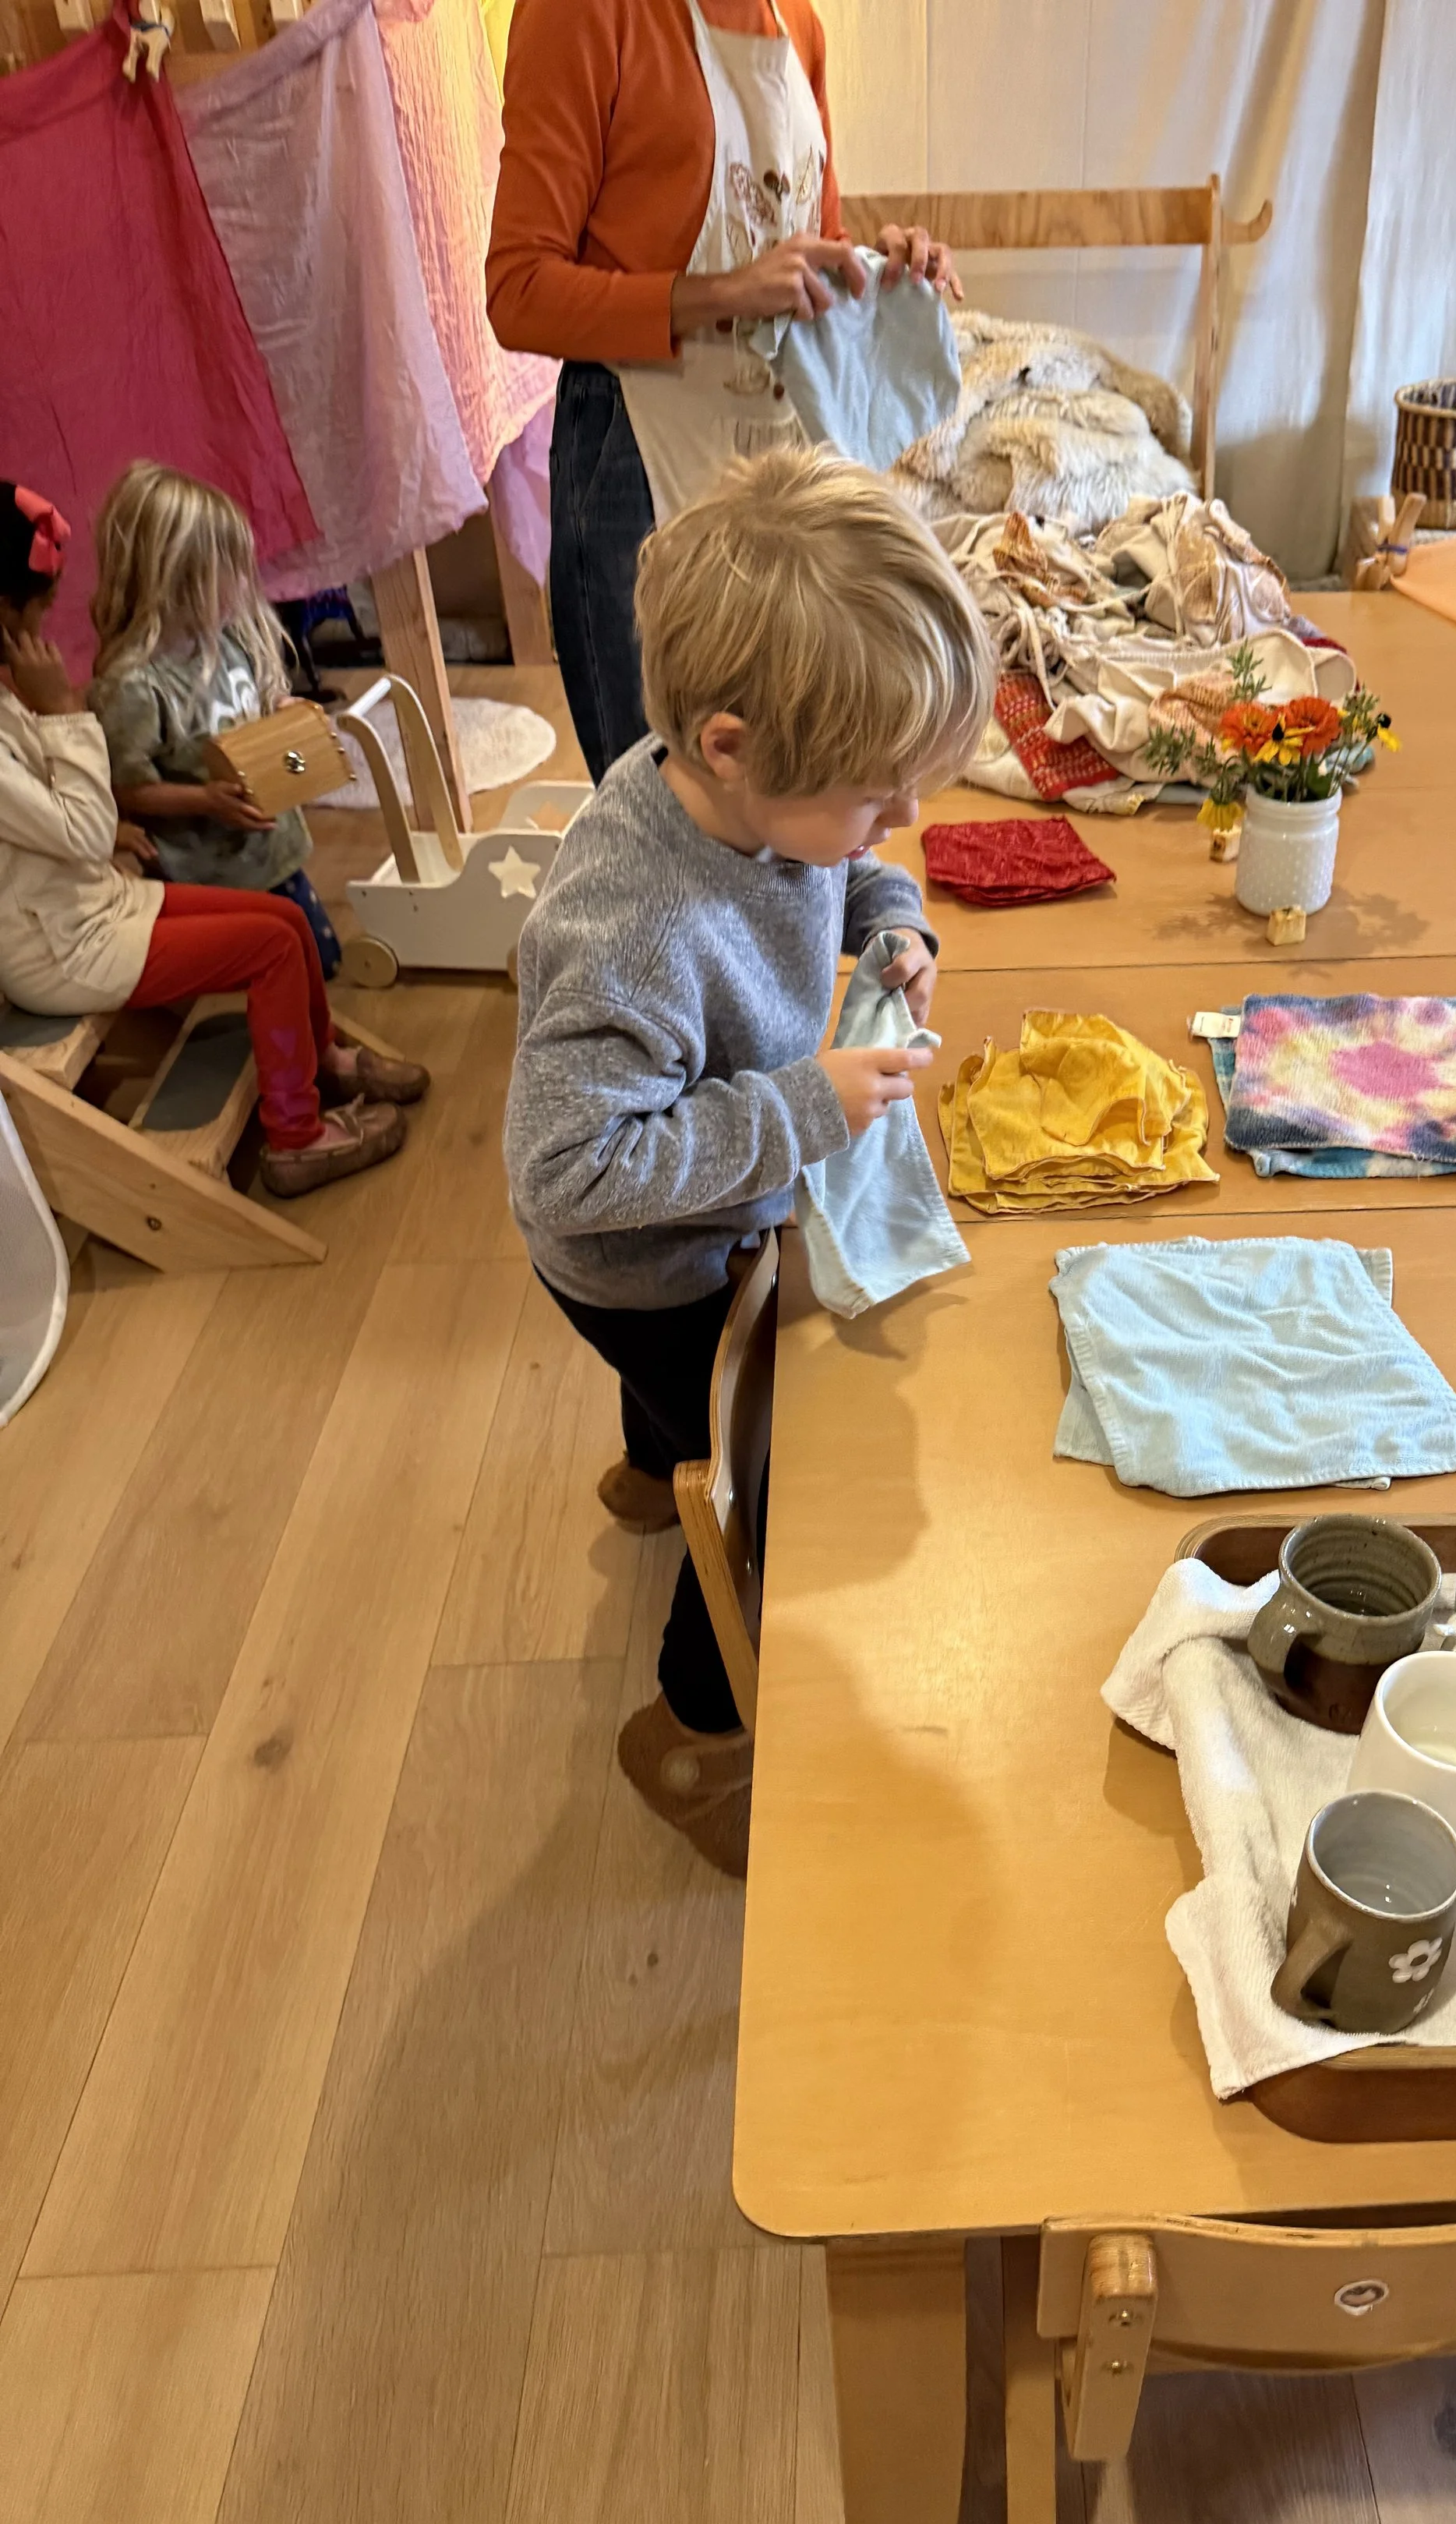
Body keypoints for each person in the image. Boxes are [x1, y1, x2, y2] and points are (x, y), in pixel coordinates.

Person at [503, 447, 992, 1871]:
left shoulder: (761, 791)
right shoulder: (637, 922)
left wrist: (887, 907)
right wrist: (797, 1109)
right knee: (769, 1468)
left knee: (684, 1410)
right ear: (729, 746)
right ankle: (692, 1717)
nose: (893, 822)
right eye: (874, 797)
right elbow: (568, 1169)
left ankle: (653, 1455)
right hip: (633, 1256)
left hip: (693, 1211)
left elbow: (828, 855)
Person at [486, 0, 960, 784]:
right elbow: (519, 290)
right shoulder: (580, 14)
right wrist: (721, 293)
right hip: (635, 455)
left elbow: (813, 243)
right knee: (660, 806)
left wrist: (877, 271)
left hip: (774, 465)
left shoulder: (797, 24)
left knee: (785, 789)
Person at [0, 483, 425, 1198]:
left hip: (94, 904)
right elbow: (87, 822)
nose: (47, 633)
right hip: (63, 943)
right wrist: (64, 713)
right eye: (37, 613)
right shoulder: (95, 690)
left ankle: (322, 1060)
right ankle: (297, 1138)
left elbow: (77, 819)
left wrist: (294, 742)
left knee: (288, 923)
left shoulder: (31, 687)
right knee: (270, 949)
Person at [88, 461, 344, 977]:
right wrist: (204, 800)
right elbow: (127, 788)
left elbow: (256, 703)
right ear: (177, 581)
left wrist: (284, 714)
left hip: (269, 845)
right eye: (227, 574)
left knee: (321, 961)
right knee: (264, 967)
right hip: (210, 869)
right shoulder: (133, 685)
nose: (243, 586)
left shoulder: (224, 640)